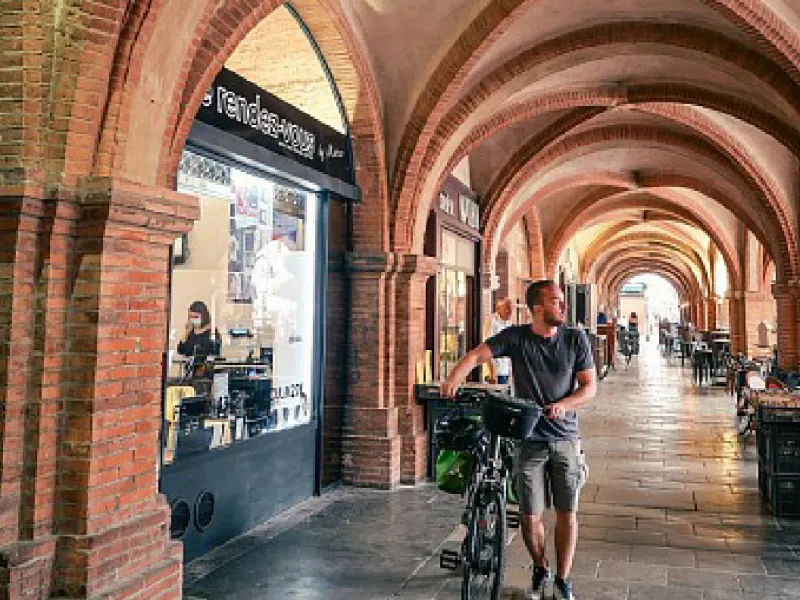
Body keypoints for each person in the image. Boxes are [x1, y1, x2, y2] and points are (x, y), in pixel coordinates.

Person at [441, 280, 596, 600]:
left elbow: (589, 387)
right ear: (537, 308)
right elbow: (477, 355)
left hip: (565, 438)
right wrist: (454, 377)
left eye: (563, 300)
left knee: (567, 513)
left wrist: (564, 405)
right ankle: (541, 567)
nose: (563, 306)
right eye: (556, 301)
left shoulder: (575, 338)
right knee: (529, 515)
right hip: (529, 439)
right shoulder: (516, 337)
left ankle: (563, 579)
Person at [489, 298, 514, 385]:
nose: (510, 311)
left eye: (512, 308)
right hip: (497, 371)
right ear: (498, 309)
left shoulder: (509, 323)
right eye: (507, 308)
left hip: (507, 370)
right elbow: (487, 347)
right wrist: (492, 374)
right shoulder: (492, 323)